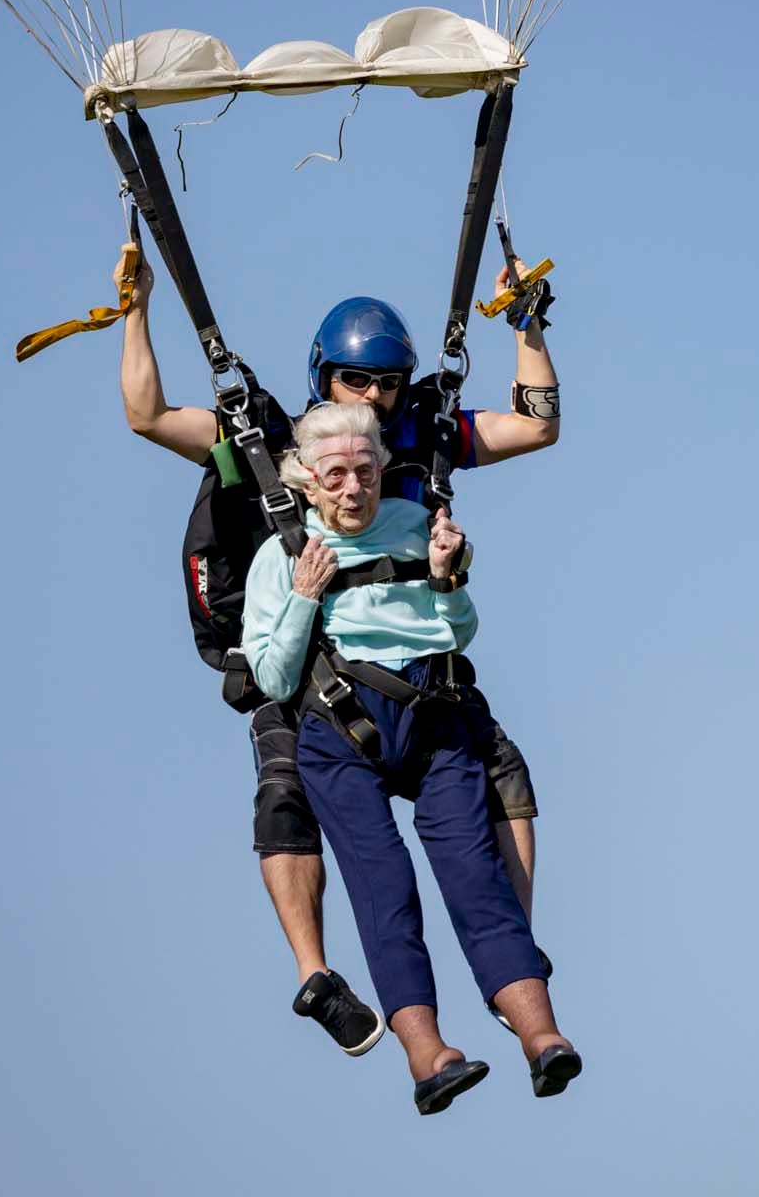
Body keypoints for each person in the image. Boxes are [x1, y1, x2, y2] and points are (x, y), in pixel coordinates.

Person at [118, 257, 562, 1054]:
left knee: (504, 773)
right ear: (327, 379)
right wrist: (137, 311)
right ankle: (315, 974)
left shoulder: (421, 439)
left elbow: (535, 425)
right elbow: (149, 415)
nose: (374, 398)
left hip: (411, 664)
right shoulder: (270, 441)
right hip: (298, 660)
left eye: (389, 383)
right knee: (285, 795)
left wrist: (528, 328)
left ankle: (509, 956)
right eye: (356, 381)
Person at [241, 402, 580, 1113]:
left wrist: (448, 578)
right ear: (306, 480)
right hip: (341, 734)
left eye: (365, 472)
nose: (353, 488)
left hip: (433, 721)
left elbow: (458, 630)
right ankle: (429, 1058)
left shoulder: (417, 527)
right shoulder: (279, 557)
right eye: (336, 475)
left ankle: (542, 1037)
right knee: (384, 887)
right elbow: (271, 681)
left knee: (476, 878)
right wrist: (304, 597)